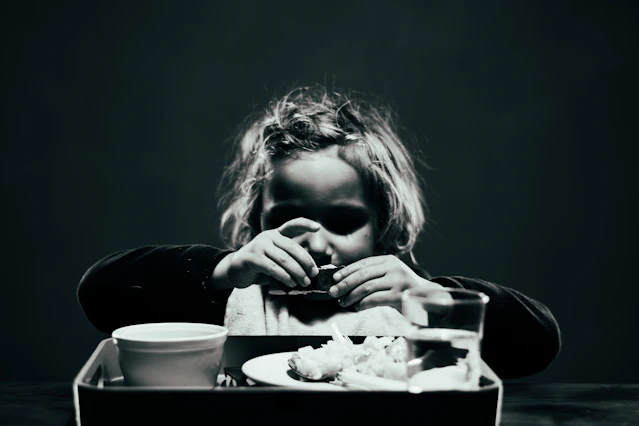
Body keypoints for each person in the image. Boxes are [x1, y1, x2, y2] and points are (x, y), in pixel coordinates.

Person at [77, 85, 561, 379]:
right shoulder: (231, 293)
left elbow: (538, 342)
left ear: (384, 230)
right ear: (256, 227)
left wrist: (430, 296)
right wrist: (223, 269)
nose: (316, 241)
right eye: (286, 218)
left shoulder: (408, 304)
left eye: (345, 221)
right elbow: (100, 293)